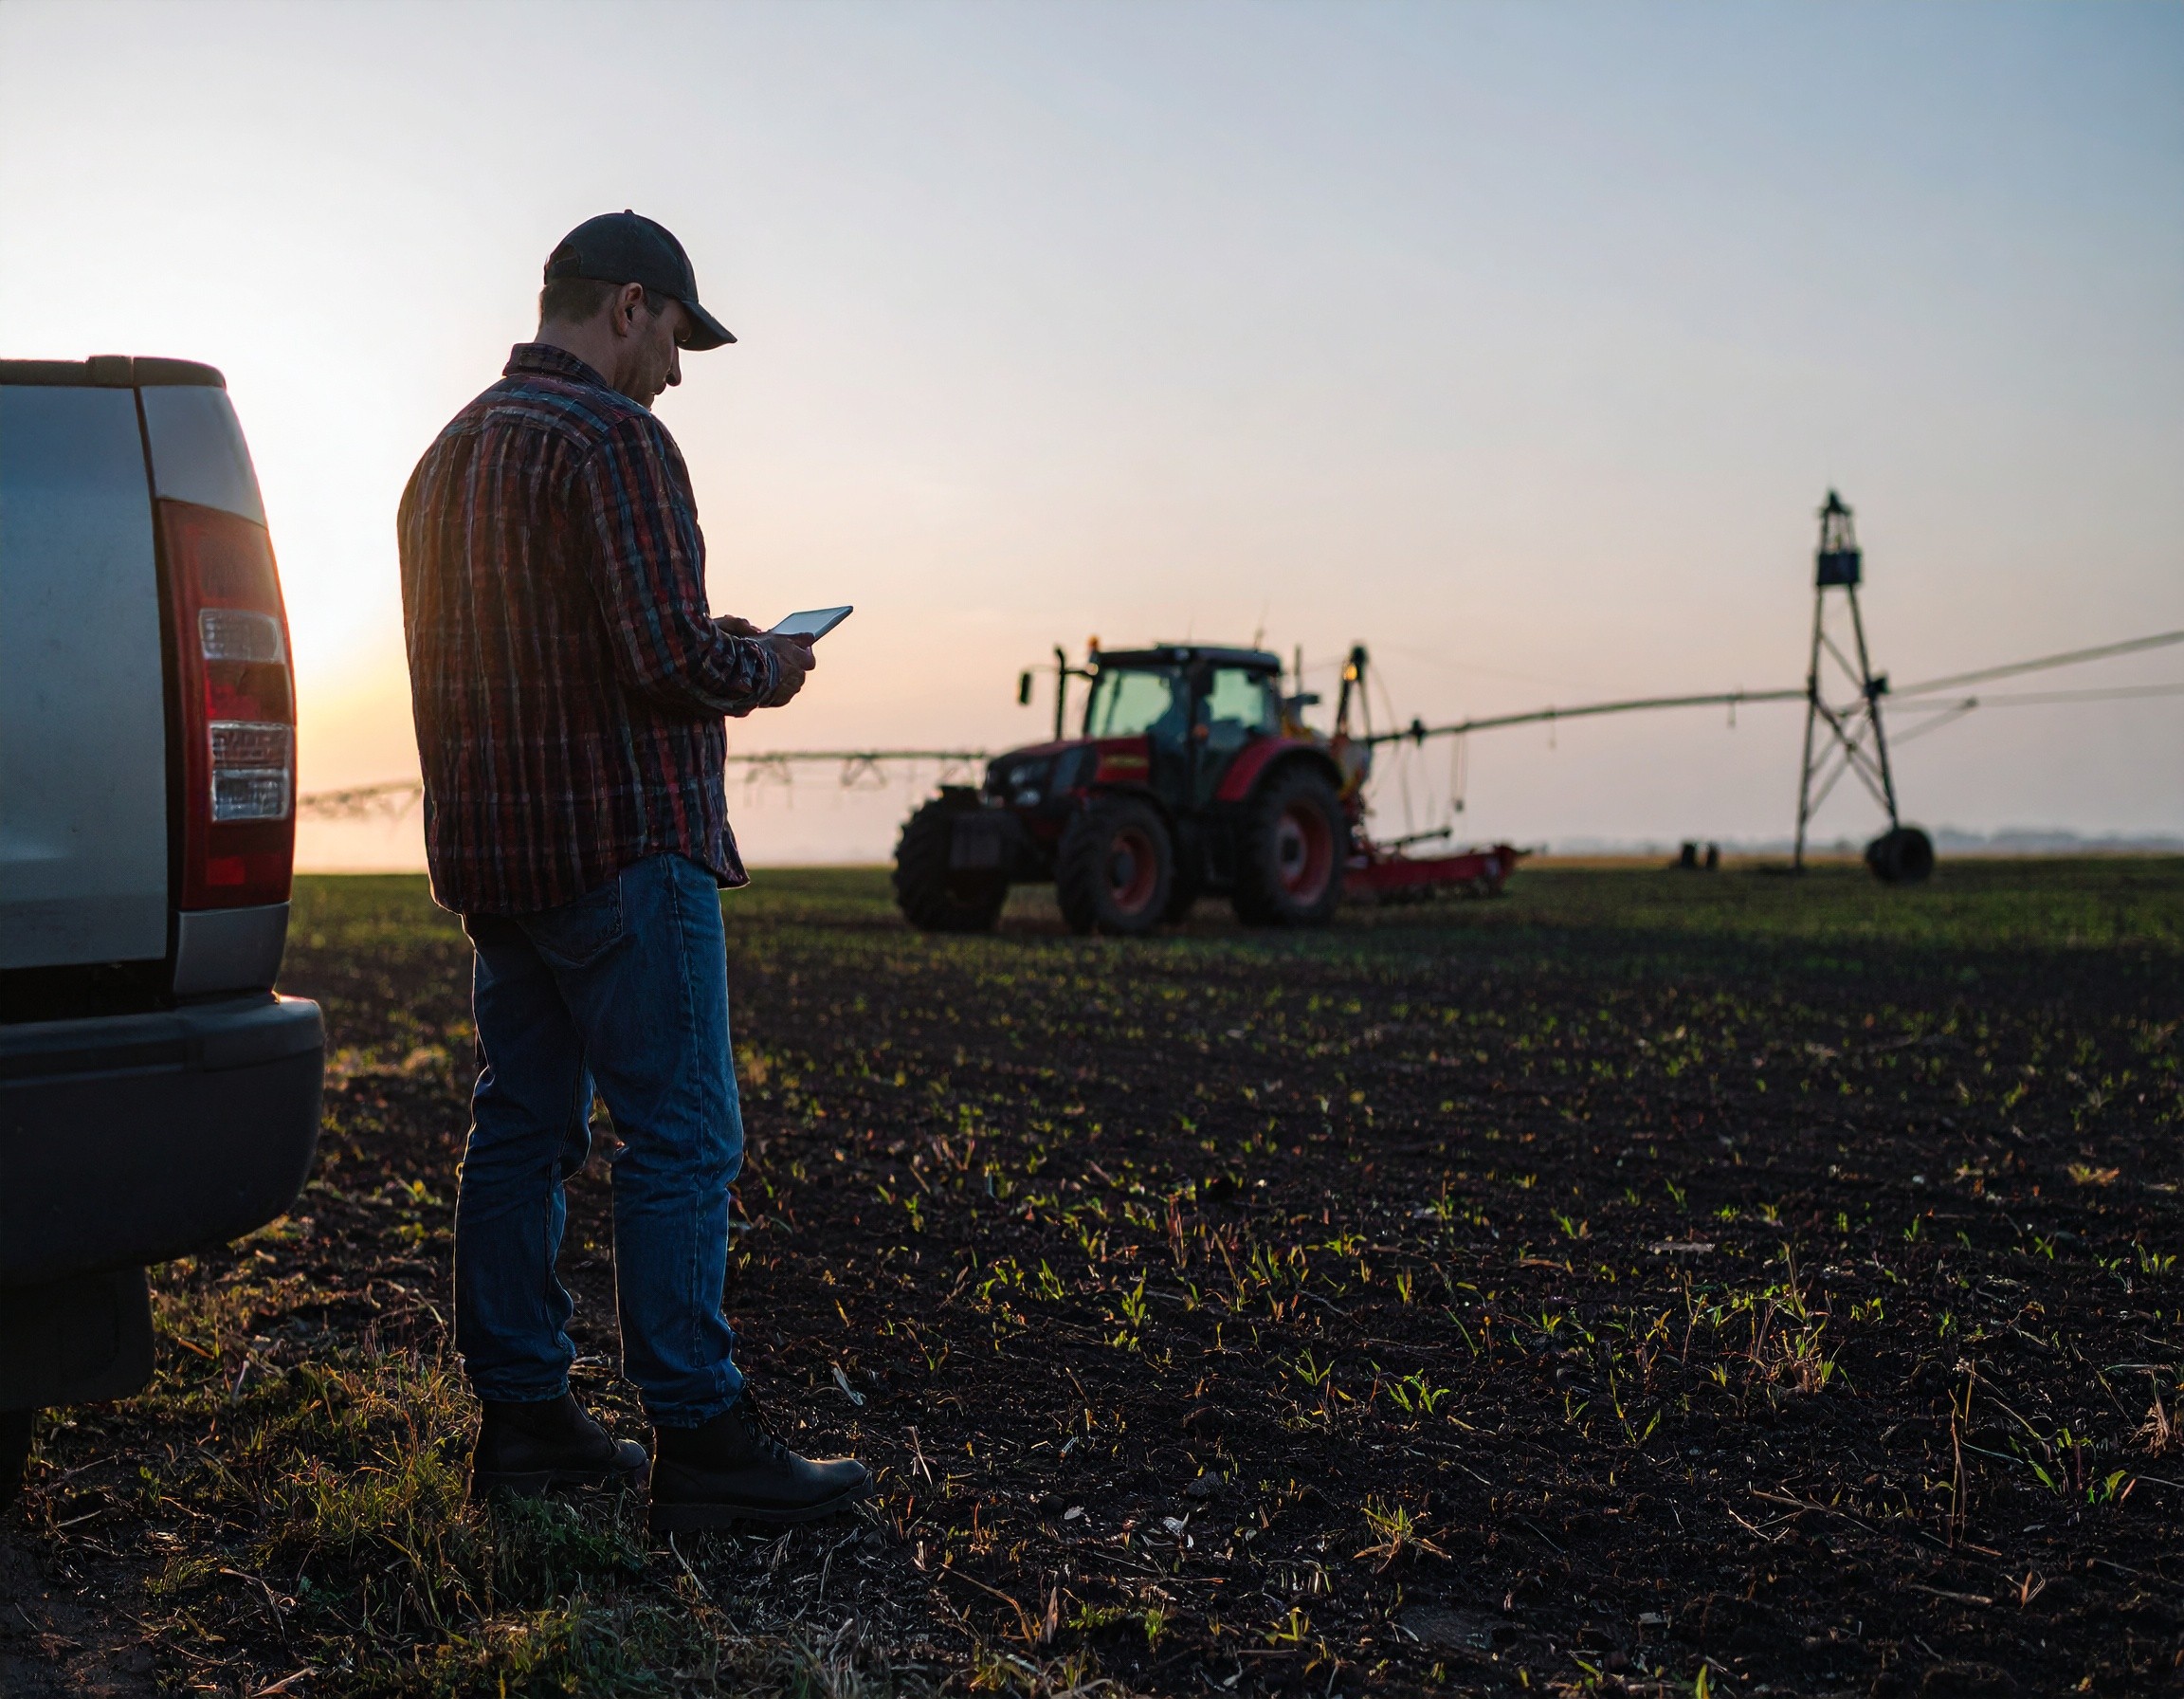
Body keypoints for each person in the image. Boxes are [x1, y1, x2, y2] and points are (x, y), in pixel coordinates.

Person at [396, 210, 870, 1532]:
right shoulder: (618, 445)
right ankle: (706, 1439)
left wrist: (693, 637)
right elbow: (663, 660)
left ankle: (525, 1421)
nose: (677, 368)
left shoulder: (441, 463)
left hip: (501, 865)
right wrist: (764, 665)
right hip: (620, 850)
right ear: (626, 305)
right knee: (681, 1136)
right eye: (675, 334)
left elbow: (544, 648)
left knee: (522, 1132)